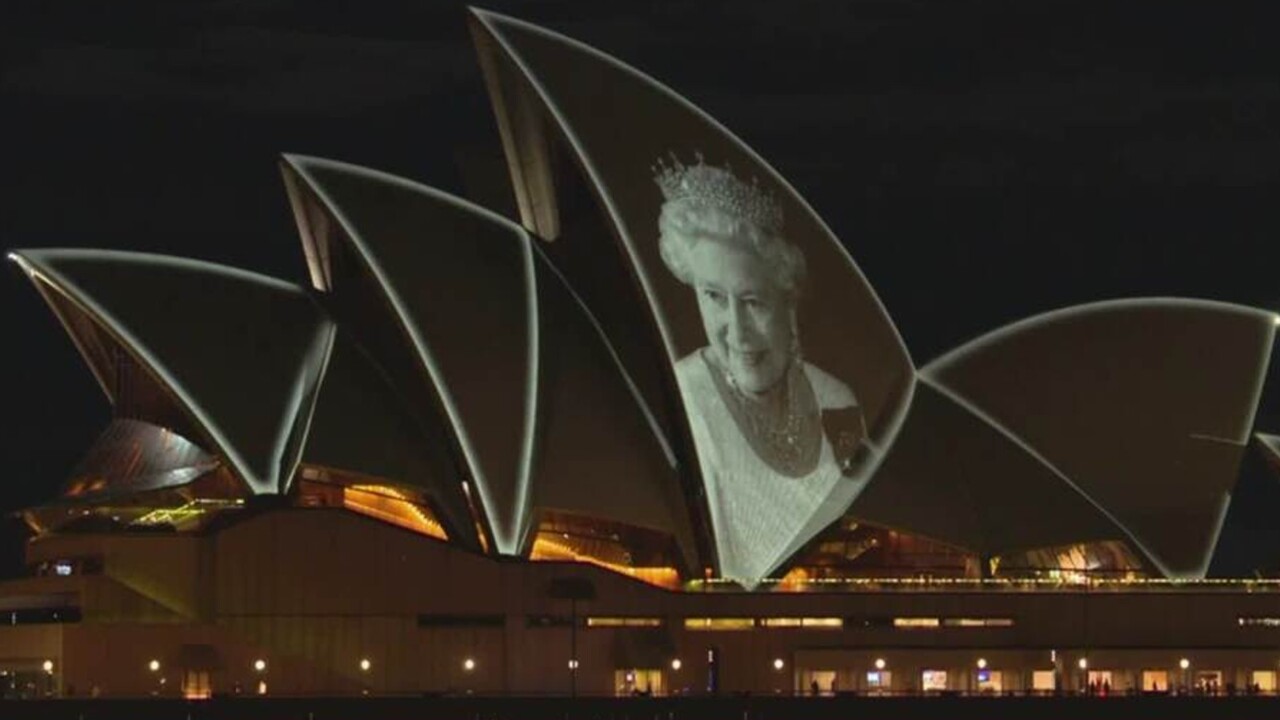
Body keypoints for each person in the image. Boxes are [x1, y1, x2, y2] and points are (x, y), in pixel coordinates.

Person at [655, 156, 868, 584]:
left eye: (753, 302)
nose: (736, 330)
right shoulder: (681, 401)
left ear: (787, 301)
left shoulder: (838, 401)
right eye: (713, 296)